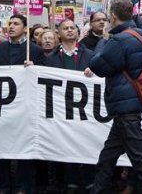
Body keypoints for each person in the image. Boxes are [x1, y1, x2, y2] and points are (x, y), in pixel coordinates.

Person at [89, 0, 142, 193]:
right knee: (107, 159)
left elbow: (98, 66)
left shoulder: (119, 40)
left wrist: (103, 40)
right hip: (130, 107)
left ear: (113, 16)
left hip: (125, 111)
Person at [0, 14, 45, 194]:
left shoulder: (35, 51)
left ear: (24, 28)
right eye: (10, 23)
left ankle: (24, 186)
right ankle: (4, 185)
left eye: (16, 23)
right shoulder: (0, 49)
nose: (11, 26)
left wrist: (35, 69)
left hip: (26, 108)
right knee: (1, 148)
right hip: (4, 108)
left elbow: (44, 76)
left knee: (24, 147)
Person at [45, 19, 95, 193]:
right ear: (59, 33)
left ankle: (90, 179)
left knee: (88, 143)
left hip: (85, 110)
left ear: (77, 31)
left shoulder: (89, 55)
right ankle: (71, 181)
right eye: (65, 28)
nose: (69, 30)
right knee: (66, 143)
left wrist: (95, 71)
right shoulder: (50, 59)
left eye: (72, 28)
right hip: (61, 110)